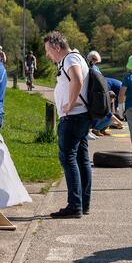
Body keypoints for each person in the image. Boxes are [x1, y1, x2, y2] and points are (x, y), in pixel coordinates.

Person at [44, 30, 91, 218]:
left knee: (68, 159)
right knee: (81, 159)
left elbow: (77, 80)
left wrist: (68, 105)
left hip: (72, 117)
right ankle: (83, 203)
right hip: (82, 117)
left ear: (57, 46)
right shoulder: (77, 57)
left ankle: (74, 206)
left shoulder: (70, 60)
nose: (48, 55)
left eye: (48, 50)